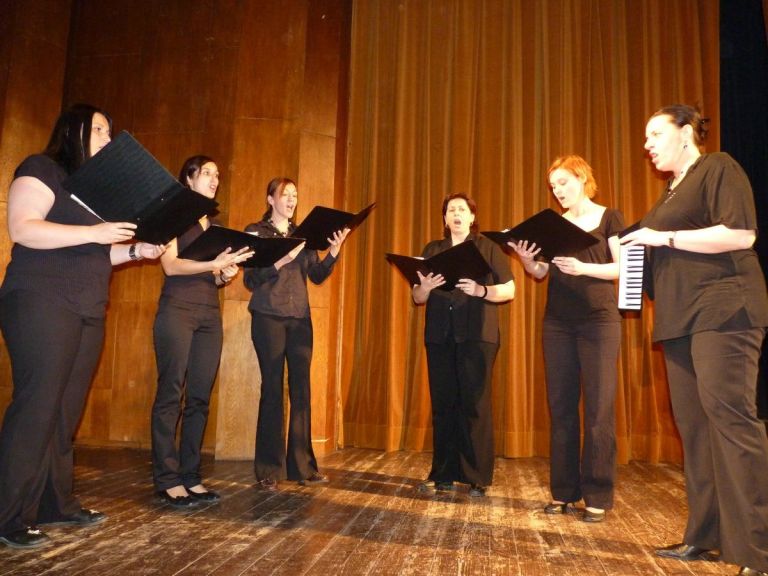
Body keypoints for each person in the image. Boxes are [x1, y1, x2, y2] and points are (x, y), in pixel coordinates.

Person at [0, 104, 165, 549]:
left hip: (88, 305)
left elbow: (99, 251)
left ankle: (55, 503)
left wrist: (138, 251)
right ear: (73, 131)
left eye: (110, 131)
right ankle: (7, 515)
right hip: (41, 298)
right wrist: (96, 232)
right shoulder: (42, 168)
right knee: (37, 407)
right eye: (99, 130)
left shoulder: (98, 193)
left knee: (65, 413)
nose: (108, 139)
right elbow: (24, 228)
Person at [621, 104, 768, 576]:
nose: (647, 144)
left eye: (655, 134)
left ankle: (757, 550)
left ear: (686, 132)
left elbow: (740, 235)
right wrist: (601, 263)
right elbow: (647, 262)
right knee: (696, 430)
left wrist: (662, 239)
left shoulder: (717, 167)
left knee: (731, 423)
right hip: (679, 320)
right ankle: (705, 535)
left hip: (724, 309)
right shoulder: (668, 194)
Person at [510, 155, 623, 522]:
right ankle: (563, 492)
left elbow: (623, 266)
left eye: (563, 182)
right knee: (561, 407)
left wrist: (584, 267)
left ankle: (597, 496)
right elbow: (540, 272)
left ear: (582, 178)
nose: (557, 190)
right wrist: (527, 260)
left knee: (598, 409)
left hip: (598, 321)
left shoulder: (609, 218)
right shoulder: (553, 225)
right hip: (558, 322)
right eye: (553, 186)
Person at [151, 156, 253, 508]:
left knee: (199, 398)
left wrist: (224, 274)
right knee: (171, 394)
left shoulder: (214, 224)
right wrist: (214, 264)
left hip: (209, 313)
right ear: (189, 179)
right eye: (207, 173)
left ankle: (191, 476)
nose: (214, 179)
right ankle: (167, 480)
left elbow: (212, 275)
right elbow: (170, 265)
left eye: (217, 174)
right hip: (177, 310)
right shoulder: (174, 214)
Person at [244, 178, 349, 490]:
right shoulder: (257, 232)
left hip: (300, 318)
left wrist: (334, 251)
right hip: (268, 317)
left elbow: (316, 275)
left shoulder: (303, 235)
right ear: (270, 199)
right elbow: (250, 279)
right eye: (285, 194)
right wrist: (281, 261)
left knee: (301, 390)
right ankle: (268, 469)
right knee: (273, 389)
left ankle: (302, 466)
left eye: (294, 195)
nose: (291, 200)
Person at [413, 193, 515, 497]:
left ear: (472, 217)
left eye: (462, 209)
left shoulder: (488, 247)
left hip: (477, 335)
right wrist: (425, 287)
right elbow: (417, 297)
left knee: (475, 405)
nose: (456, 214)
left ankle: (476, 476)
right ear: (445, 219)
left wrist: (481, 290)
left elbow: (509, 289)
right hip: (440, 335)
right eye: (450, 210)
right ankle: (443, 473)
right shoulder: (432, 250)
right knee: (444, 405)